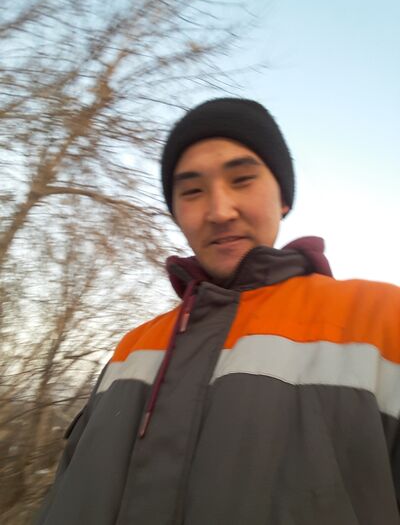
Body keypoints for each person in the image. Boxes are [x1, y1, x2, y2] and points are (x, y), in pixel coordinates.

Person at [36, 98, 400, 525]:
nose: (220, 211)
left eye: (242, 180)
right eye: (192, 191)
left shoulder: (382, 320)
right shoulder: (131, 350)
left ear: (283, 198)